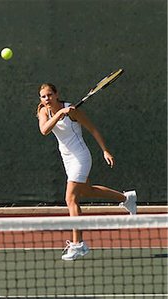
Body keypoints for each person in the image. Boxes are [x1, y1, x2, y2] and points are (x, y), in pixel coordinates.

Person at [36, 83, 137, 261]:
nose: (47, 99)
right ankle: (126, 198)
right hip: (66, 158)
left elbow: (93, 129)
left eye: (50, 95)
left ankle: (78, 244)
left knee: (71, 198)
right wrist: (59, 114)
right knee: (86, 191)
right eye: (44, 97)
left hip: (81, 157)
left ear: (57, 94)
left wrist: (105, 150)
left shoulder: (72, 111)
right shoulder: (44, 111)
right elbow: (44, 130)